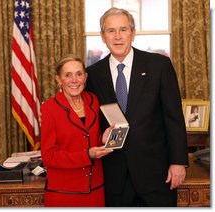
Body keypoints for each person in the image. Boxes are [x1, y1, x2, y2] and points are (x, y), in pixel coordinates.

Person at [86, 7, 189, 207]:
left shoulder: (159, 65)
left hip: (156, 175)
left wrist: (178, 162)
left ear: (133, 33)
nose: (117, 36)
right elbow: (92, 123)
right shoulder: (93, 74)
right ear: (102, 36)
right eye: (111, 31)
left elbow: (174, 117)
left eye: (123, 29)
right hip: (114, 177)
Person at [40, 54, 113, 207]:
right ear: (59, 80)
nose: (74, 80)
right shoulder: (49, 108)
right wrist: (87, 155)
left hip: (95, 190)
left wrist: (102, 140)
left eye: (79, 74)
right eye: (68, 75)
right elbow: (48, 157)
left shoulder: (93, 100)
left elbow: (88, 139)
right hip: (64, 193)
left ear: (85, 77)